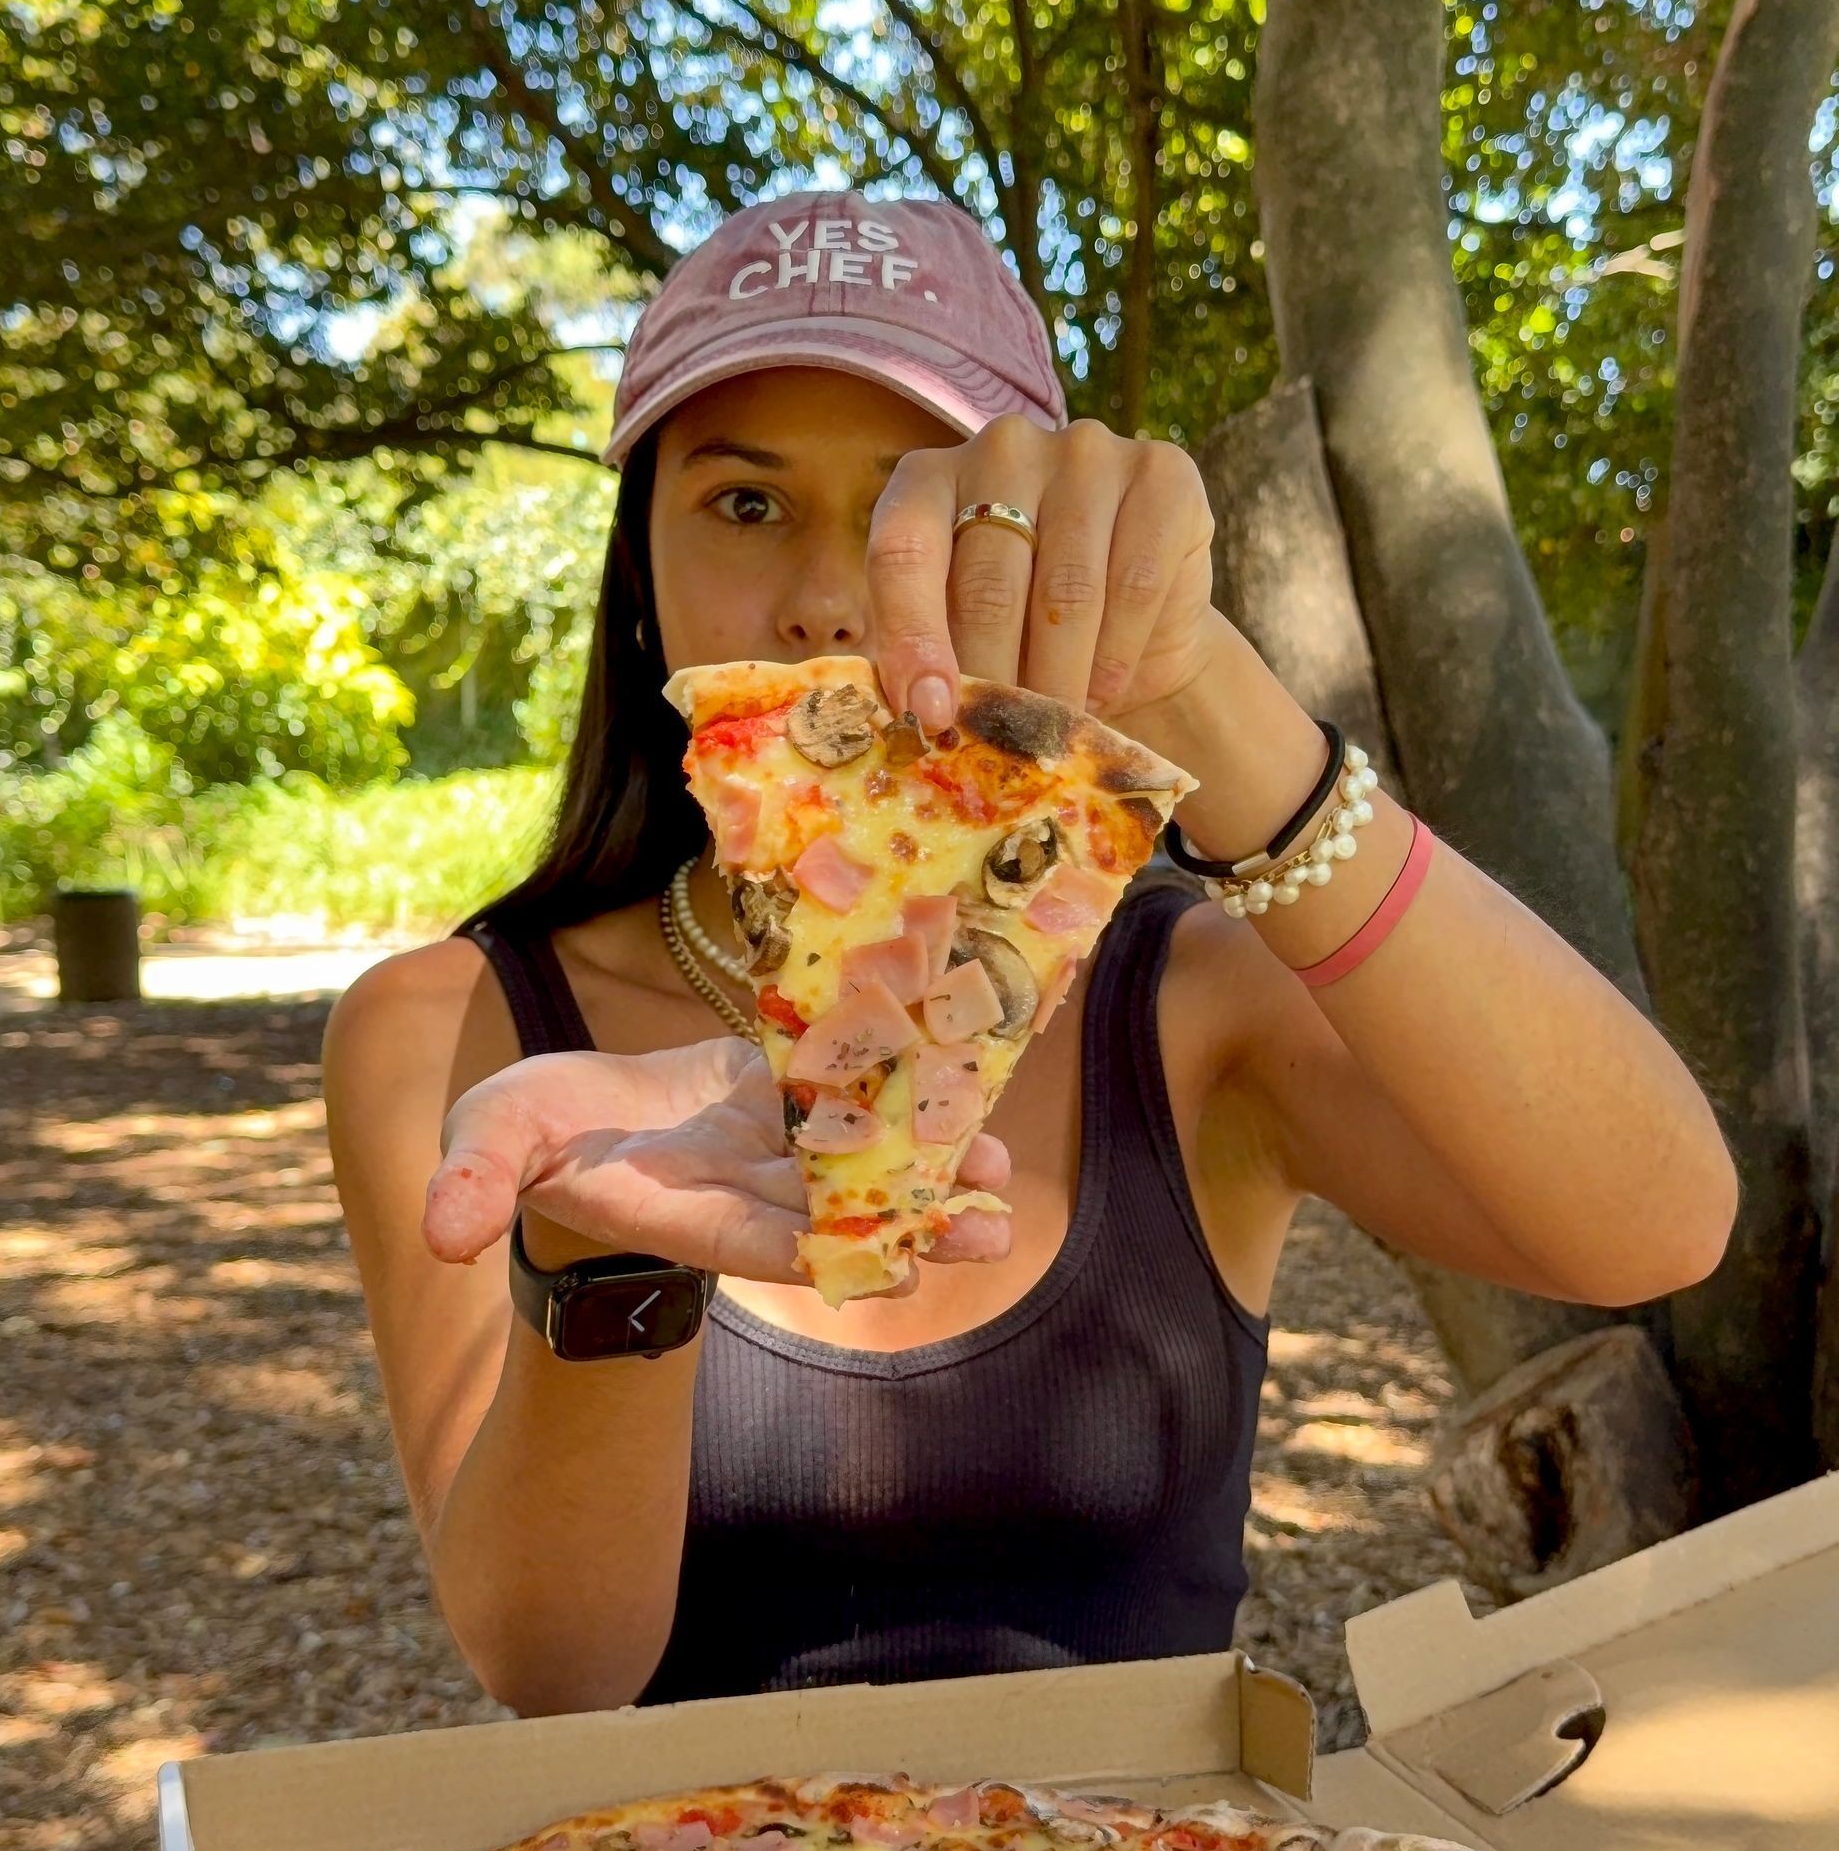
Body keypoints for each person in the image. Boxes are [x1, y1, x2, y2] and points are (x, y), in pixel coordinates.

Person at [324, 188, 1736, 1721]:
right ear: (640, 579)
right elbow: (554, 1670)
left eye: (914, 511)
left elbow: (1656, 1226)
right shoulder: (446, 1029)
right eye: (745, 504)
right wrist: (601, 1261)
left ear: (1046, 560)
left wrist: (1198, 691)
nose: (825, 601)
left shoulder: (1189, 1004)